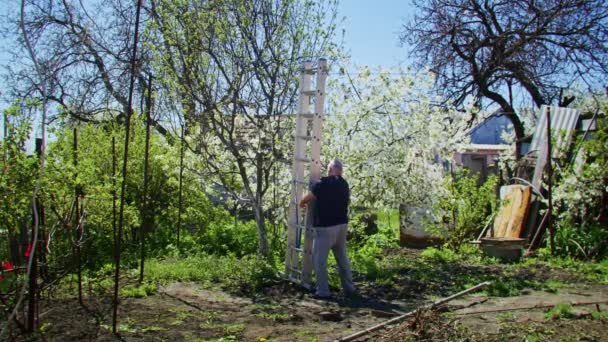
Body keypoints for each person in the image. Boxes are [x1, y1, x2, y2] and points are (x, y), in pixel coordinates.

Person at [299, 159, 357, 299]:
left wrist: (301, 203)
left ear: (330, 169)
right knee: (342, 258)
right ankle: (349, 288)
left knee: (319, 260)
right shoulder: (344, 184)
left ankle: (323, 291)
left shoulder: (322, 184)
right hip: (342, 226)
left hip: (325, 228)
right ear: (340, 171)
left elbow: (307, 199)